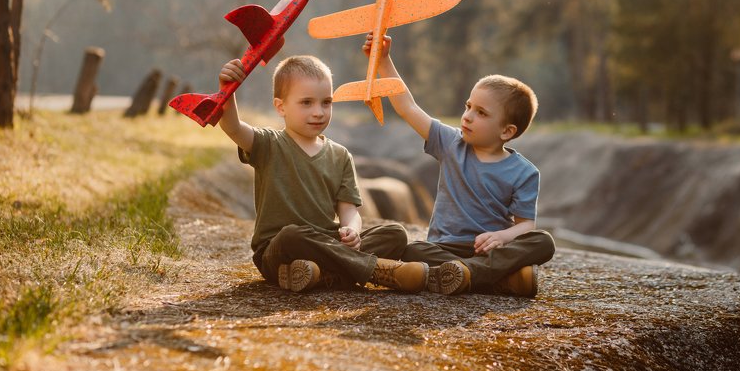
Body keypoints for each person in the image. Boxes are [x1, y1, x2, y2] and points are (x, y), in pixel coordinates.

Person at [362, 33, 555, 297]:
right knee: (410, 250)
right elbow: (408, 107)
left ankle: (469, 272)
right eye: (468, 106)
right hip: (443, 248)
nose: (467, 117)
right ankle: (493, 278)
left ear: (507, 132)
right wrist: (384, 60)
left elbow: (525, 226)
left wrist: (501, 237)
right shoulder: (451, 143)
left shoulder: (525, 172)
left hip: (488, 249)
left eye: (481, 113)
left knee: (544, 242)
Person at [217, 54, 428, 293]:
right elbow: (233, 127)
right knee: (291, 234)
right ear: (280, 106)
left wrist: (352, 230)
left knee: (395, 234)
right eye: (306, 102)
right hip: (279, 250)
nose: (318, 112)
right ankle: (377, 270)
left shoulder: (340, 155)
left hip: (328, 244)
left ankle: (321, 276)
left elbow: (349, 209)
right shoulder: (268, 144)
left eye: (326, 102)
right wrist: (228, 90)